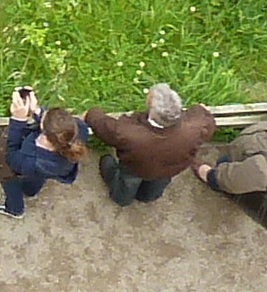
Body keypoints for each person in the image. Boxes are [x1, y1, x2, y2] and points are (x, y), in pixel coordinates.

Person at [83, 83, 215, 205]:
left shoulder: (128, 132)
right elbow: (206, 120)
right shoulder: (197, 126)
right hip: (169, 170)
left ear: (151, 105)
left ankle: (122, 200)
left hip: (135, 169)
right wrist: (199, 109)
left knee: (126, 185)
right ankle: (147, 196)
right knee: (156, 186)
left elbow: (103, 125)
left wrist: (91, 113)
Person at [0, 89, 83, 218]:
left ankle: (15, 209)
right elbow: (56, 128)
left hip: (28, 166)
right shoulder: (77, 132)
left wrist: (18, 121)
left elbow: (11, 156)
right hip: (51, 169)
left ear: (44, 132)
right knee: (38, 176)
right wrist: (36, 110)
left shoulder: (29, 161)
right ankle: (30, 191)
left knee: (9, 180)